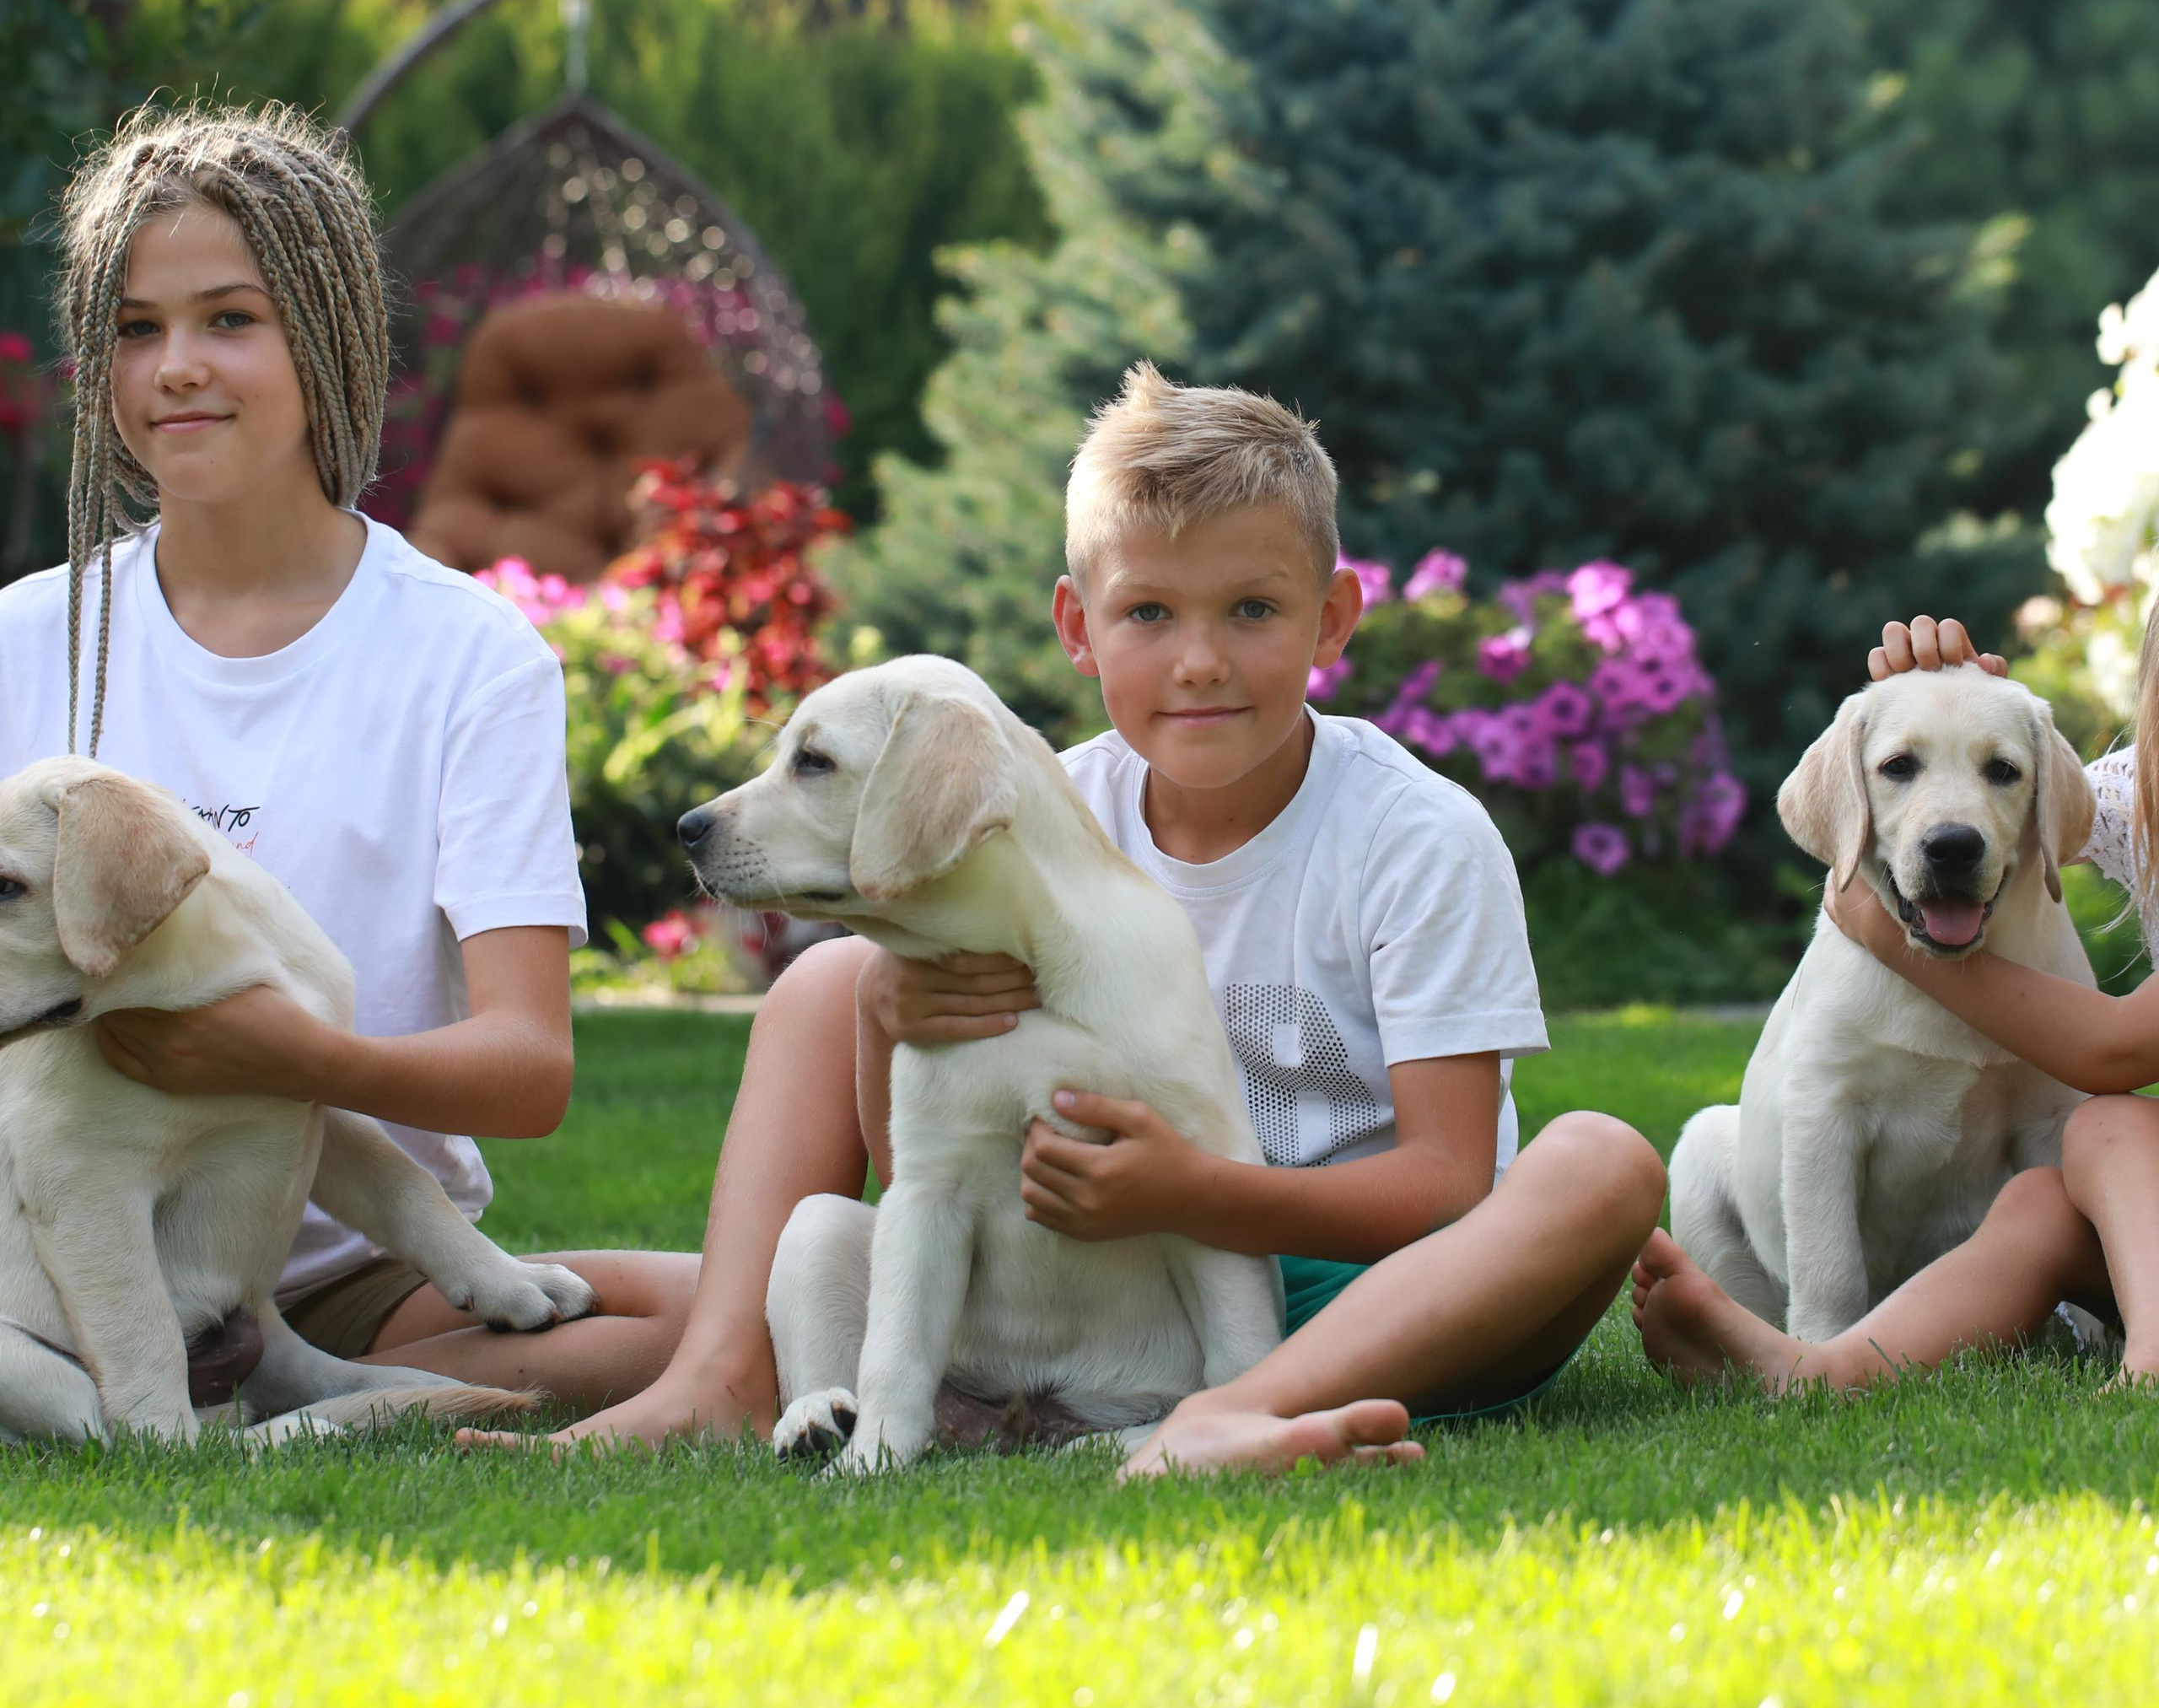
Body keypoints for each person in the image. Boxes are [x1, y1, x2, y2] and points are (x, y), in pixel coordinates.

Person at [519, 363, 1667, 1474]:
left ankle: (1223, 1418)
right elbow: (915, 1169)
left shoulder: (1417, 836)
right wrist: (889, 1005)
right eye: (1150, 612)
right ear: (1078, 627)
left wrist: (1198, 1192)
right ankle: (717, 1373)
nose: (1201, 661)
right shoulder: (1032, 808)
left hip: (1394, 1289)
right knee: (830, 988)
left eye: (1254, 609)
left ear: (1332, 619)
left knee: (1603, 1163)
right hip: (1103, 1294)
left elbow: (1449, 1187)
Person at [0, 101, 695, 1408]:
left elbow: (528, 1072)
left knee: (749, 1304)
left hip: (359, 1269)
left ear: (326, 335)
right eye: (135, 330)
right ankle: (256, 1399)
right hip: (51, 1252)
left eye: (230, 318)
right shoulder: (26, 640)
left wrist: (283, 1060)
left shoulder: (472, 657)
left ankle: (302, 1389)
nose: (176, 368)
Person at [1633, 612, 2159, 1393]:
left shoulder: (2049, 798)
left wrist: (1874, 930)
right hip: (1803, 1248)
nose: (1953, 827)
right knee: (1708, 1148)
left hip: (1997, 1202)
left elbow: (2110, 1053)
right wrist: (1967, 706)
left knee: (2091, 1126)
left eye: (2003, 776)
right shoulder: (2141, 799)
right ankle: (1807, 1345)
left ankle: (2124, 1343)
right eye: (1900, 768)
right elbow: (2046, 770)